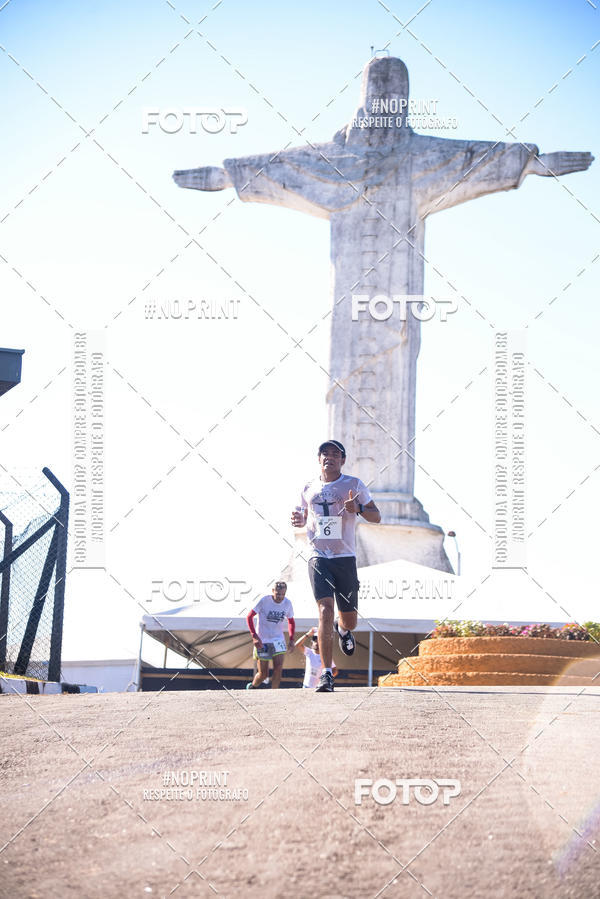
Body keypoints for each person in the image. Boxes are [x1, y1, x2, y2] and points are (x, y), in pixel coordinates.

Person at [291, 440, 380, 692]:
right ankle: (327, 673)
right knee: (324, 610)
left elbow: (377, 516)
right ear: (318, 459)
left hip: (345, 558)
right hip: (318, 555)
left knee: (349, 620)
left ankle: (344, 631)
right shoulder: (308, 487)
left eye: (335, 454)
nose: (329, 457)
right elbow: (301, 516)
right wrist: (298, 519)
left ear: (342, 460)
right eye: (325, 453)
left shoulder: (354, 484)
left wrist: (359, 508)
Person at [245, 581, 295, 689]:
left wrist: (291, 639)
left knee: (278, 667)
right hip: (263, 641)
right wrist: (254, 636)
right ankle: (252, 686)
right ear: (273, 591)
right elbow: (249, 617)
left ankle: (274, 693)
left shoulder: (287, 603)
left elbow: (291, 621)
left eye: (283, 594)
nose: (280, 597)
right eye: (278, 594)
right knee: (264, 674)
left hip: (278, 640)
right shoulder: (264, 601)